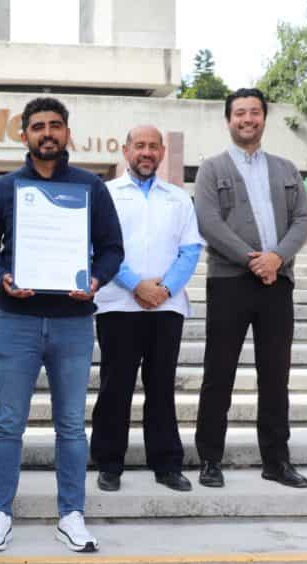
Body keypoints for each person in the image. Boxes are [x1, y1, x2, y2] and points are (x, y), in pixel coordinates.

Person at [0, 97, 124, 553]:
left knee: (72, 425)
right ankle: (0, 513)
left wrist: (97, 279)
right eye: (38, 126)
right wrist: (3, 279)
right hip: (15, 318)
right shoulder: (5, 189)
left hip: (73, 322)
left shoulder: (91, 188)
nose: (48, 133)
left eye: (56, 125)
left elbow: (112, 247)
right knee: (8, 424)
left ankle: (71, 514)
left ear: (67, 133)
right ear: (24, 135)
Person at [193, 88, 307, 489]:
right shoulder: (212, 168)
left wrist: (276, 258)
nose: (247, 119)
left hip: (277, 283)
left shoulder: (286, 169)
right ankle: (210, 458)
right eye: (240, 113)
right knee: (218, 373)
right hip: (229, 283)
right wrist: (252, 258)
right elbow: (209, 223)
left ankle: (276, 460)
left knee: (276, 374)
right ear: (228, 120)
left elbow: (301, 220)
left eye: (255, 112)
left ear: (264, 118)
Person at [91, 125, 204, 493]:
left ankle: (167, 463)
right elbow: (99, 247)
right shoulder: (105, 195)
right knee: (115, 386)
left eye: (153, 146)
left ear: (161, 152)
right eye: (139, 145)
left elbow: (190, 251)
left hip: (167, 307)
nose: (146, 152)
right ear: (125, 151)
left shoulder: (178, 198)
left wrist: (165, 288)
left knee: (161, 387)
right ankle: (109, 462)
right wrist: (135, 285)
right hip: (118, 304)